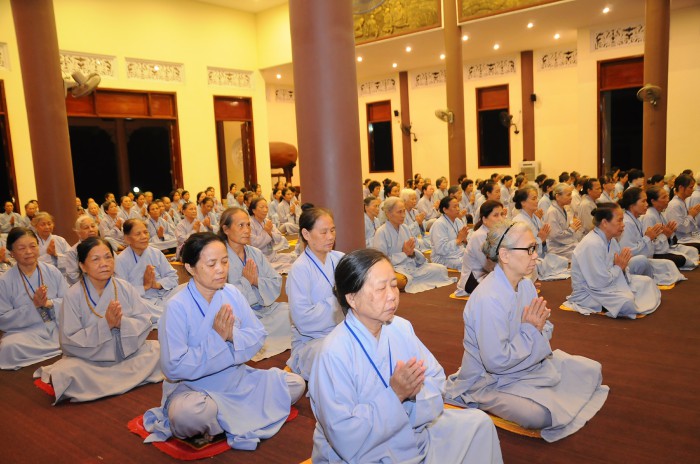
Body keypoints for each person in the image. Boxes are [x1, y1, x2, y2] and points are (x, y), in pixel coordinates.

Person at [310, 249, 503, 463]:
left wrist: (412, 397)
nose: (392, 295)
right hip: (364, 451)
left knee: (479, 424)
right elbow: (344, 434)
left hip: (410, 426)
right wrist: (395, 394)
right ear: (352, 298)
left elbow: (436, 379)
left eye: (394, 285)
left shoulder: (400, 327)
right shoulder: (333, 352)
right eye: (381, 288)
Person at [445, 221, 609, 442]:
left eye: (535, 248)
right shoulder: (488, 298)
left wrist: (534, 329)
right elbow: (496, 362)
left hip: (528, 363)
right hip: (490, 379)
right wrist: (530, 331)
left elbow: (545, 325)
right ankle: (478, 397)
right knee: (539, 415)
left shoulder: (526, 285)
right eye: (530, 249)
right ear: (505, 255)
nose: (536, 256)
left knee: (591, 369)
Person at [143, 232, 304, 450]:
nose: (220, 269)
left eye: (225, 261)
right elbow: (173, 368)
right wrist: (217, 338)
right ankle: (237, 416)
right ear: (190, 267)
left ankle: (221, 423)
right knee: (187, 415)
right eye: (211, 264)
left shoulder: (232, 293)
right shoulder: (176, 306)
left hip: (235, 378)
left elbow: (258, 335)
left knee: (295, 384)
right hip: (195, 389)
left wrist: (231, 336)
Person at [33, 237, 162, 402]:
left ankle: (104, 383)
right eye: (96, 259)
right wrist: (105, 325)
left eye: (108, 257)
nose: (104, 263)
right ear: (82, 266)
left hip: (128, 354)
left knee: (160, 349)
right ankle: (128, 378)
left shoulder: (124, 287)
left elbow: (144, 320)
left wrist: (122, 323)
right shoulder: (73, 295)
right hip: (91, 360)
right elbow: (69, 339)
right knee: (65, 372)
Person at [564, 203, 661, 318]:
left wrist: (622, 269)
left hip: (610, 283)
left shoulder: (611, 240)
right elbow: (598, 283)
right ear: (605, 223)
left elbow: (617, 270)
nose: (623, 225)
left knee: (647, 281)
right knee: (627, 301)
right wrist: (619, 268)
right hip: (590, 293)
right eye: (619, 220)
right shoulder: (592, 244)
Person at [219, 208, 292, 361]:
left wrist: (256, 281)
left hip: (265, 309)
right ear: (226, 229)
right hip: (240, 315)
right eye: (241, 226)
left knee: (292, 313)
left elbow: (276, 281)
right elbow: (221, 294)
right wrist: (246, 281)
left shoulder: (255, 253)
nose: (247, 230)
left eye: (248, 225)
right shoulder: (220, 258)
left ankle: (258, 339)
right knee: (241, 330)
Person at [285, 207, 344, 380]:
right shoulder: (300, 269)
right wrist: (339, 301)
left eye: (332, 230)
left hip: (343, 330)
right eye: (324, 232)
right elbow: (303, 320)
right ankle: (298, 362)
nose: (331, 237)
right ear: (306, 234)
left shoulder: (340, 258)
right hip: (312, 340)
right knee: (338, 356)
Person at [0, 228, 67, 370]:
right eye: (21, 248)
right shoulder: (4, 280)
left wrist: (49, 303)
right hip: (26, 331)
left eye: (32, 246)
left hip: (55, 325)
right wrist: (33, 307)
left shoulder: (52, 271)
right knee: (8, 347)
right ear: (11, 253)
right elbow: (3, 318)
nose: (29, 252)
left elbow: (69, 301)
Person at [373, 198, 454, 294]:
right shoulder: (381, 232)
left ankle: (406, 281)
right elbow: (381, 261)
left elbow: (415, 251)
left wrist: (412, 253)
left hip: (411, 266)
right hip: (395, 269)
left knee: (441, 269)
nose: (403, 215)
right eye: (399, 212)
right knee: (401, 280)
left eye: (404, 211)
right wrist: (404, 254)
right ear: (388, 214)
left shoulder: (405, 228)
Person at [618, 188, 685, 285]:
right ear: (632, 204)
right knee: (642, 261)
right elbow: (628, 252)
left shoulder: (636, 220)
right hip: (631, 262)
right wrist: (648, 238)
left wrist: (653, 237)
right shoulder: (627, 223)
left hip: (645, 256)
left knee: (669, 264)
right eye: (643, 201)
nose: (646, 204)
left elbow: (647, 250)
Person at [114, 219, 178, 322]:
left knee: (187, 288)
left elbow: (173, 277)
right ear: (127, 239)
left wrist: (157, 284)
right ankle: (172, 314)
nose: (144, 237)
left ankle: (170, 314)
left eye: (145, 232)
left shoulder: (156, 253)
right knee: (135, 306)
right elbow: (122, 293)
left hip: (164, 295)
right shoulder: (121, 260)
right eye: (138, 234)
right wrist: (145, 287)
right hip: (143, 301)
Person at [512, 187, 569, 281]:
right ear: (523, 202)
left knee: (562, 262)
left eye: (537, 198)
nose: (537, 201)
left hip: (539, 255)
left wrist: (543, 240)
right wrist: (540, 239)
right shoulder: (519, 221)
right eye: (534, 198)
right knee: (557, 265)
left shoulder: (535, 218)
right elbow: (523, 248)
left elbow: (543, 238)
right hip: (527, 260)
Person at [641, 186, 698, 269]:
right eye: (664, 197)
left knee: (693, 251)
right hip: (656, 252)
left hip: (666, 246)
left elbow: (668, 236)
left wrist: (669, 234)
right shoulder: (649, 216)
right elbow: (650, 244)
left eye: (667, 196)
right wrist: (665, 236)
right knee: (682, 259)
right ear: (653, 201)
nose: (667, 199)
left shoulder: (660, 213)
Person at [455, 201, 502, 296]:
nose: (501, 219)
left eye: (502, 214)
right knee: (506, 290)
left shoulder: (495, 233)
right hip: (474, 278)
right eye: (496, 215)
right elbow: (488, 265)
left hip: (488, 274)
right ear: (484, 219)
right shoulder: (480, 235)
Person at [248, 198, 296, 274]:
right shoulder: (249, 224)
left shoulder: (267, 221)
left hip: (272, 255)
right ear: (253, 210)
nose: (265, 210)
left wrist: (269, 233)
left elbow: (279, 236)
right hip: (259, 258)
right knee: (287, 266)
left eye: (266, 207)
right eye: (262, 207)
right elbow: (254, 244)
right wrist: (266, 232)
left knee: (293, 258)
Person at [543, 183, 583, 260]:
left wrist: (573, 229)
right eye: (568, 195)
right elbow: (555, 235)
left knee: (585, 247)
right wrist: (571, 229)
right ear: (558, 196)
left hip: (565, 245)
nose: (571, 197)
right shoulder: (552, 212)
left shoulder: (562, 209)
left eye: (571, 194)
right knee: (581, 252)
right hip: (557, 248)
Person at [429, 197, 469, 269]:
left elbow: (463, 241)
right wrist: (458, 240)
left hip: (458, 253)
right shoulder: (439, 224)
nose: (458, 209)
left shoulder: (458, 221)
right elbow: (440, 249)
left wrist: (465, 240)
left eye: (458, 206)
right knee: (468, 263)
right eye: (454, 207)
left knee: (477, 257)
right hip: (442, 258)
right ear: (445, 210)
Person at [665, 174, 700, 250]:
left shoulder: (682, 201)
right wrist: (691, 215)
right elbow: (680, 228)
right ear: (681, 188)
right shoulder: (674, 204)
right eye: (690, 187)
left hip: (688, 236)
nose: (692, 190)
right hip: (680, 239)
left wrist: (691, 215)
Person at [62, 215, 99, 285]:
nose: (91, 230)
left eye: (93, 226)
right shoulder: (73, 252)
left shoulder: (105, 247)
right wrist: (94, 283)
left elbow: (116, 268)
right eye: (86, 228)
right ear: (78, 233)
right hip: (85, 287)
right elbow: (72, 276)